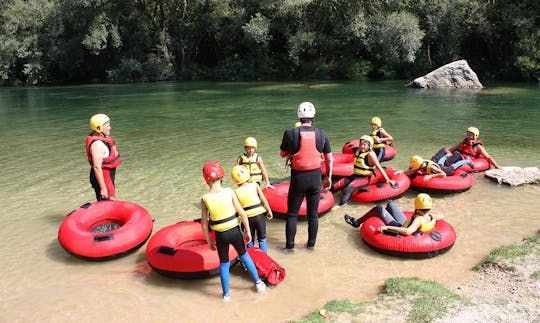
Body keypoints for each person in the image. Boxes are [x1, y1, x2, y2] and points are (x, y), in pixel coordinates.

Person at [200, 161, 265, 301]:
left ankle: (226, 295)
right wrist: (247, 231)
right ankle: (258, 283)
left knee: (224, 263)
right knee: (244, 256)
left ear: (206, 180)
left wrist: (208, 240)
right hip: (235, 232)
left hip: (220, 235)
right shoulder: (229, 192)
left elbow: (204, 224)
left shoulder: (205, 198)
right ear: (221, 176)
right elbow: (242, 213)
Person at [279, 101, 333, 250]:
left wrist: (292, 150)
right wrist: (328, 176)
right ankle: (311, 245)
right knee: (313, 215)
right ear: (313, 116)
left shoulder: (290, 133)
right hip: (316, 178)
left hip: (298, 178)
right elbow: (329, 158)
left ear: (299, 116)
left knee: (292, 215)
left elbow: (282, 154)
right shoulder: (322, 133)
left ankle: (289, 247)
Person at [330, 135, 396, 207]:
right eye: (361, 144)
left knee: (347, 190)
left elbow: (379, 167)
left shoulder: (371, 155)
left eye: (365, 145)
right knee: (335, 186)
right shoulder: (359, 151)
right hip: (354, 175)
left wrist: (388, 180)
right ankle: (327, 198)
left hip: (364, 178)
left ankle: (339, 206)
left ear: (369, 146)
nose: (362, 146)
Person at [343, 193, 444, 236]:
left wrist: (387, 227)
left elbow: (407, 231)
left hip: (400, 226)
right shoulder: (430, 216)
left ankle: (356, 222)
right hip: (405, 222)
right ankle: (384, 215)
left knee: (378, 208)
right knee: (391, 204)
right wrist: (427, 212)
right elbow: (442, 215)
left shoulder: (418, 220)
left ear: (416, 205)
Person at [231, 165, 273, 253]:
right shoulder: (255, 185)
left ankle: (252, 258)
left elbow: (236, 209)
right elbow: (263, 199)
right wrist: (269, 210)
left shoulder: (235, 192)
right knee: (262, 238)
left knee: (249, 239)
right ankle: (264, 258)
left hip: (247, 219)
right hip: (259, 216)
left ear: (234, 180)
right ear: (247, 175)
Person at [86, 114, 121, 200]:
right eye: (107, 126)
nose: (110, 128)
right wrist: (103, 188)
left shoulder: (103, 139)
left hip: (107, 177)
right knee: (107, 200)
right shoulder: (97, 144)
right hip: (103, 179)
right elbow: (97, 167)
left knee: (109, 199)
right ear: (99, 128)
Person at [434, 127, 500, 169]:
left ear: (475, 136)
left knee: (457, 154)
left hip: (465, 159)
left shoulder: (478, 146)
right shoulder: (463, 143)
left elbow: (488, 157)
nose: (469, 136)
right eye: (468, 134)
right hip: (457, 156)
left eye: (471, 135)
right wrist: (443, 151)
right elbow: (452, 149)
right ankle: (432, 161)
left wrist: (496, 166)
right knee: (444, 149)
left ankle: (443, 166)